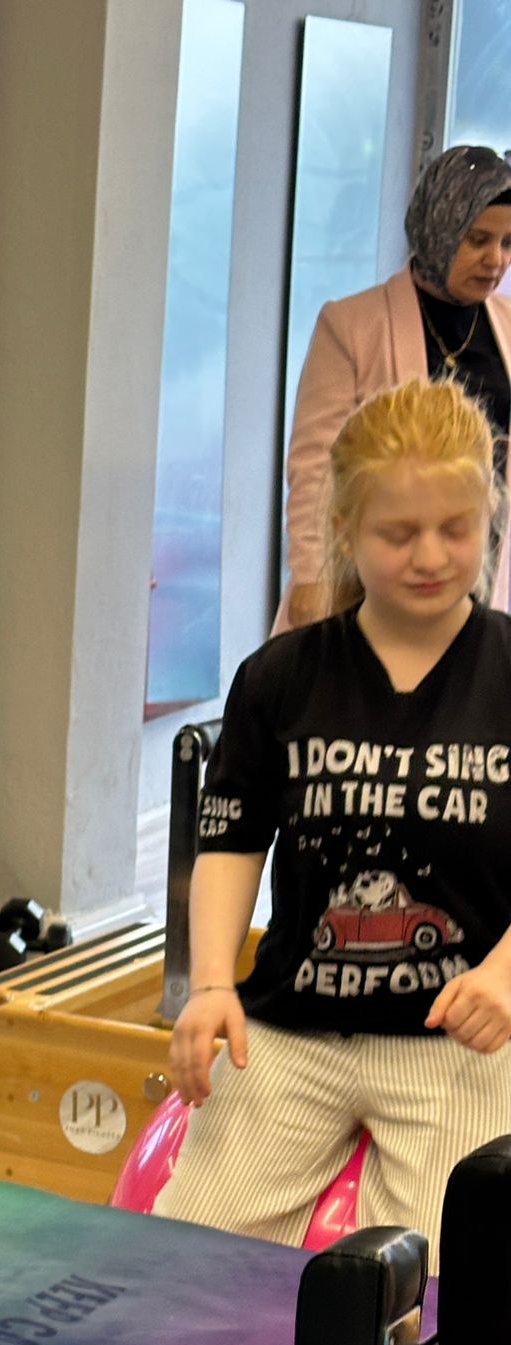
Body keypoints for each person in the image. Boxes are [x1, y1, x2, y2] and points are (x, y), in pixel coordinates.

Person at [157, 379, 511, 1266]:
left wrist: (509, 972)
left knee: (442, 1283)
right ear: (347, 531)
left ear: (488, 518)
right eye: (399, 533)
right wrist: (210, 985)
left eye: (455, 528)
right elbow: (232, 840)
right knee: (185, 1265)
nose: (430, 555)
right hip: (291, 1032)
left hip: (458, 1040)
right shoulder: (281, 676)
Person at [280, 144, 511, 631]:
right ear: (439, 228)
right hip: (378, 571)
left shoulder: (507, 326)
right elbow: (314, 462)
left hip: (484, 573)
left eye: (508, 243)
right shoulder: (351, 324)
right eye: (478, 240)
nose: (495, 260)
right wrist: (310, 575)